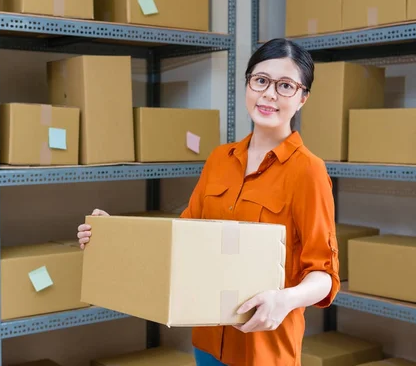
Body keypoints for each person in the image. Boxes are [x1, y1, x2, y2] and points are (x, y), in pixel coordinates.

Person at [76, 38, 340, 366]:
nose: (269, 94)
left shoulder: (308, 171)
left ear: (302, 98)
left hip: (265, 349)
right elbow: (183, 240)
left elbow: (324, 275)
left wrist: (284, 299)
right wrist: (111, 236)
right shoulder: (219, 159)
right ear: (247, 84)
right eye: (261, 80)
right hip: (208, 341)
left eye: (285, 86)